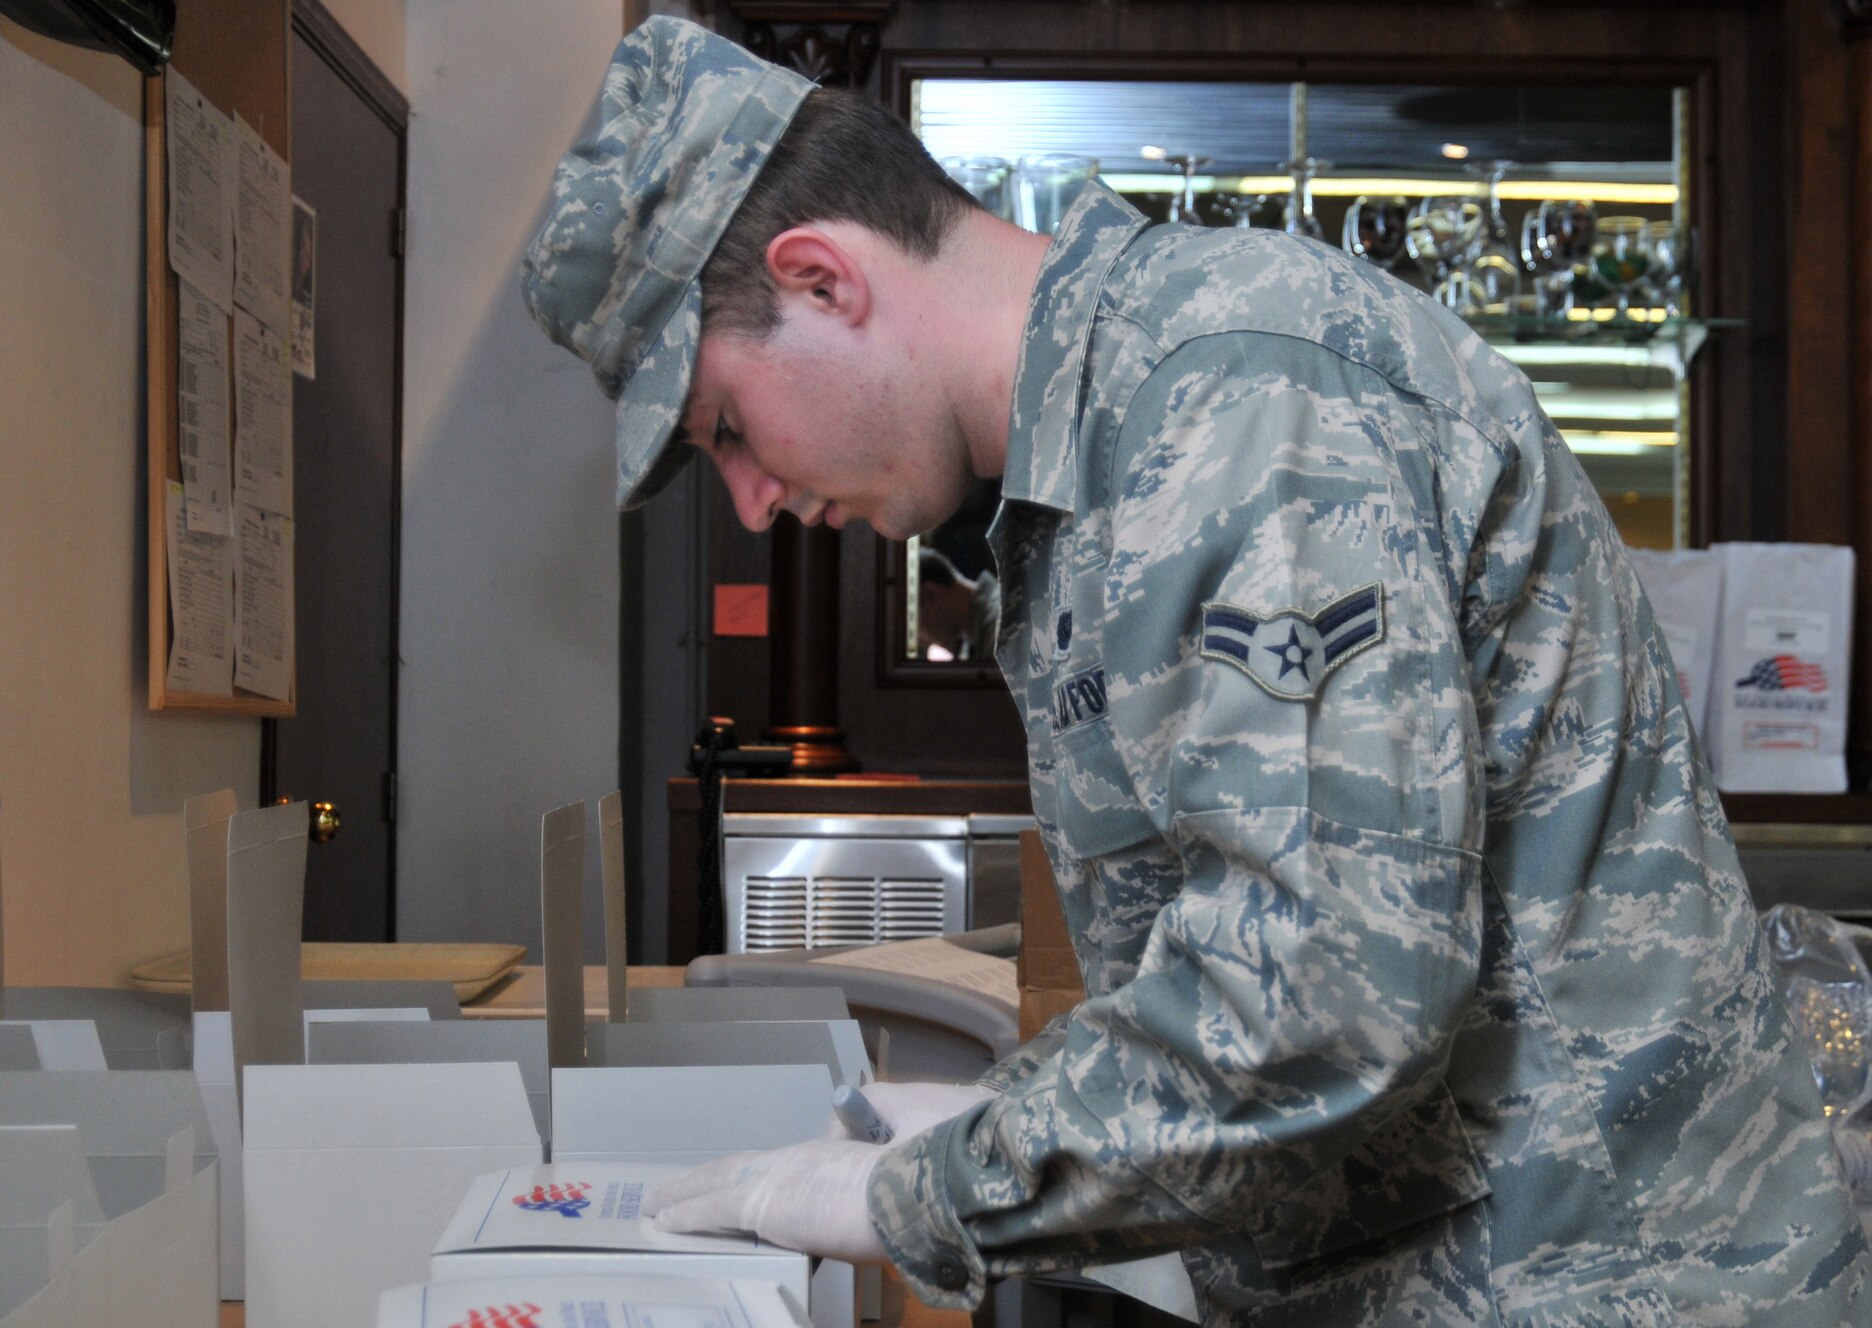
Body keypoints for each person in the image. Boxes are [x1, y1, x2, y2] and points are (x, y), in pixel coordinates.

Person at [524, 17, 1872, 1324]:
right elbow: (1231, 934)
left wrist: (928, 1192)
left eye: (726, 427)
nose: (754, 502)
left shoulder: (1229, 402)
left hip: (1597, 1279)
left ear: (825, 278)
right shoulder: (1095, 460)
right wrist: (1017, 1117)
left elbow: (1320, 995)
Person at [915, 546, 1000, 661]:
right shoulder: (974, 635)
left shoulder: (998, 626)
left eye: (914, 627)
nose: (922, 639)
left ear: (931, 594)